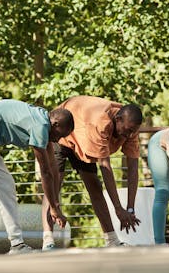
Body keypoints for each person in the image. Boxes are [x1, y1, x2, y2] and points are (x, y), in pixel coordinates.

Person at [0, 99, 74, 256]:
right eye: (60, 135)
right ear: (55, 124)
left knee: (6, 187)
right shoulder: (40, 127)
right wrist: (54, 209)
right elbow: (46, 172)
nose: (59, 140)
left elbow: (53, 167)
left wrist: (55, 204)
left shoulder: (44, 121)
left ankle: (17, 244)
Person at [42, 96, 142, 250]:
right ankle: (48, 240)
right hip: (62, 135)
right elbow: (105, 166)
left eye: (132, 132)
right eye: (127, 131)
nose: (129, 135)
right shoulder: (100, 123)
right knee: (53, 185)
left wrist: (130, 208)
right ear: (118, 118)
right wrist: (118, 209)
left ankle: (112, 240)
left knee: (94, 185)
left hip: (84, 140)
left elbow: (133, 167)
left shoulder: (131, 127)